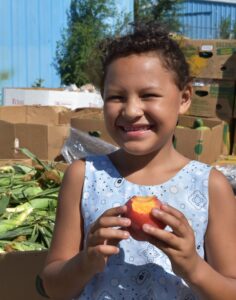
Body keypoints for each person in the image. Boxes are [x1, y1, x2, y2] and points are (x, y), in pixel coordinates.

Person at [41, 23, 236, 299]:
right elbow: (53, 286)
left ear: (184, 98)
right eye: (116, 97)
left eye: (148, 95)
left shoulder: (210, 186)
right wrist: (86, 262)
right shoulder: (84, 176)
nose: (131, 111)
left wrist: (193, 267)